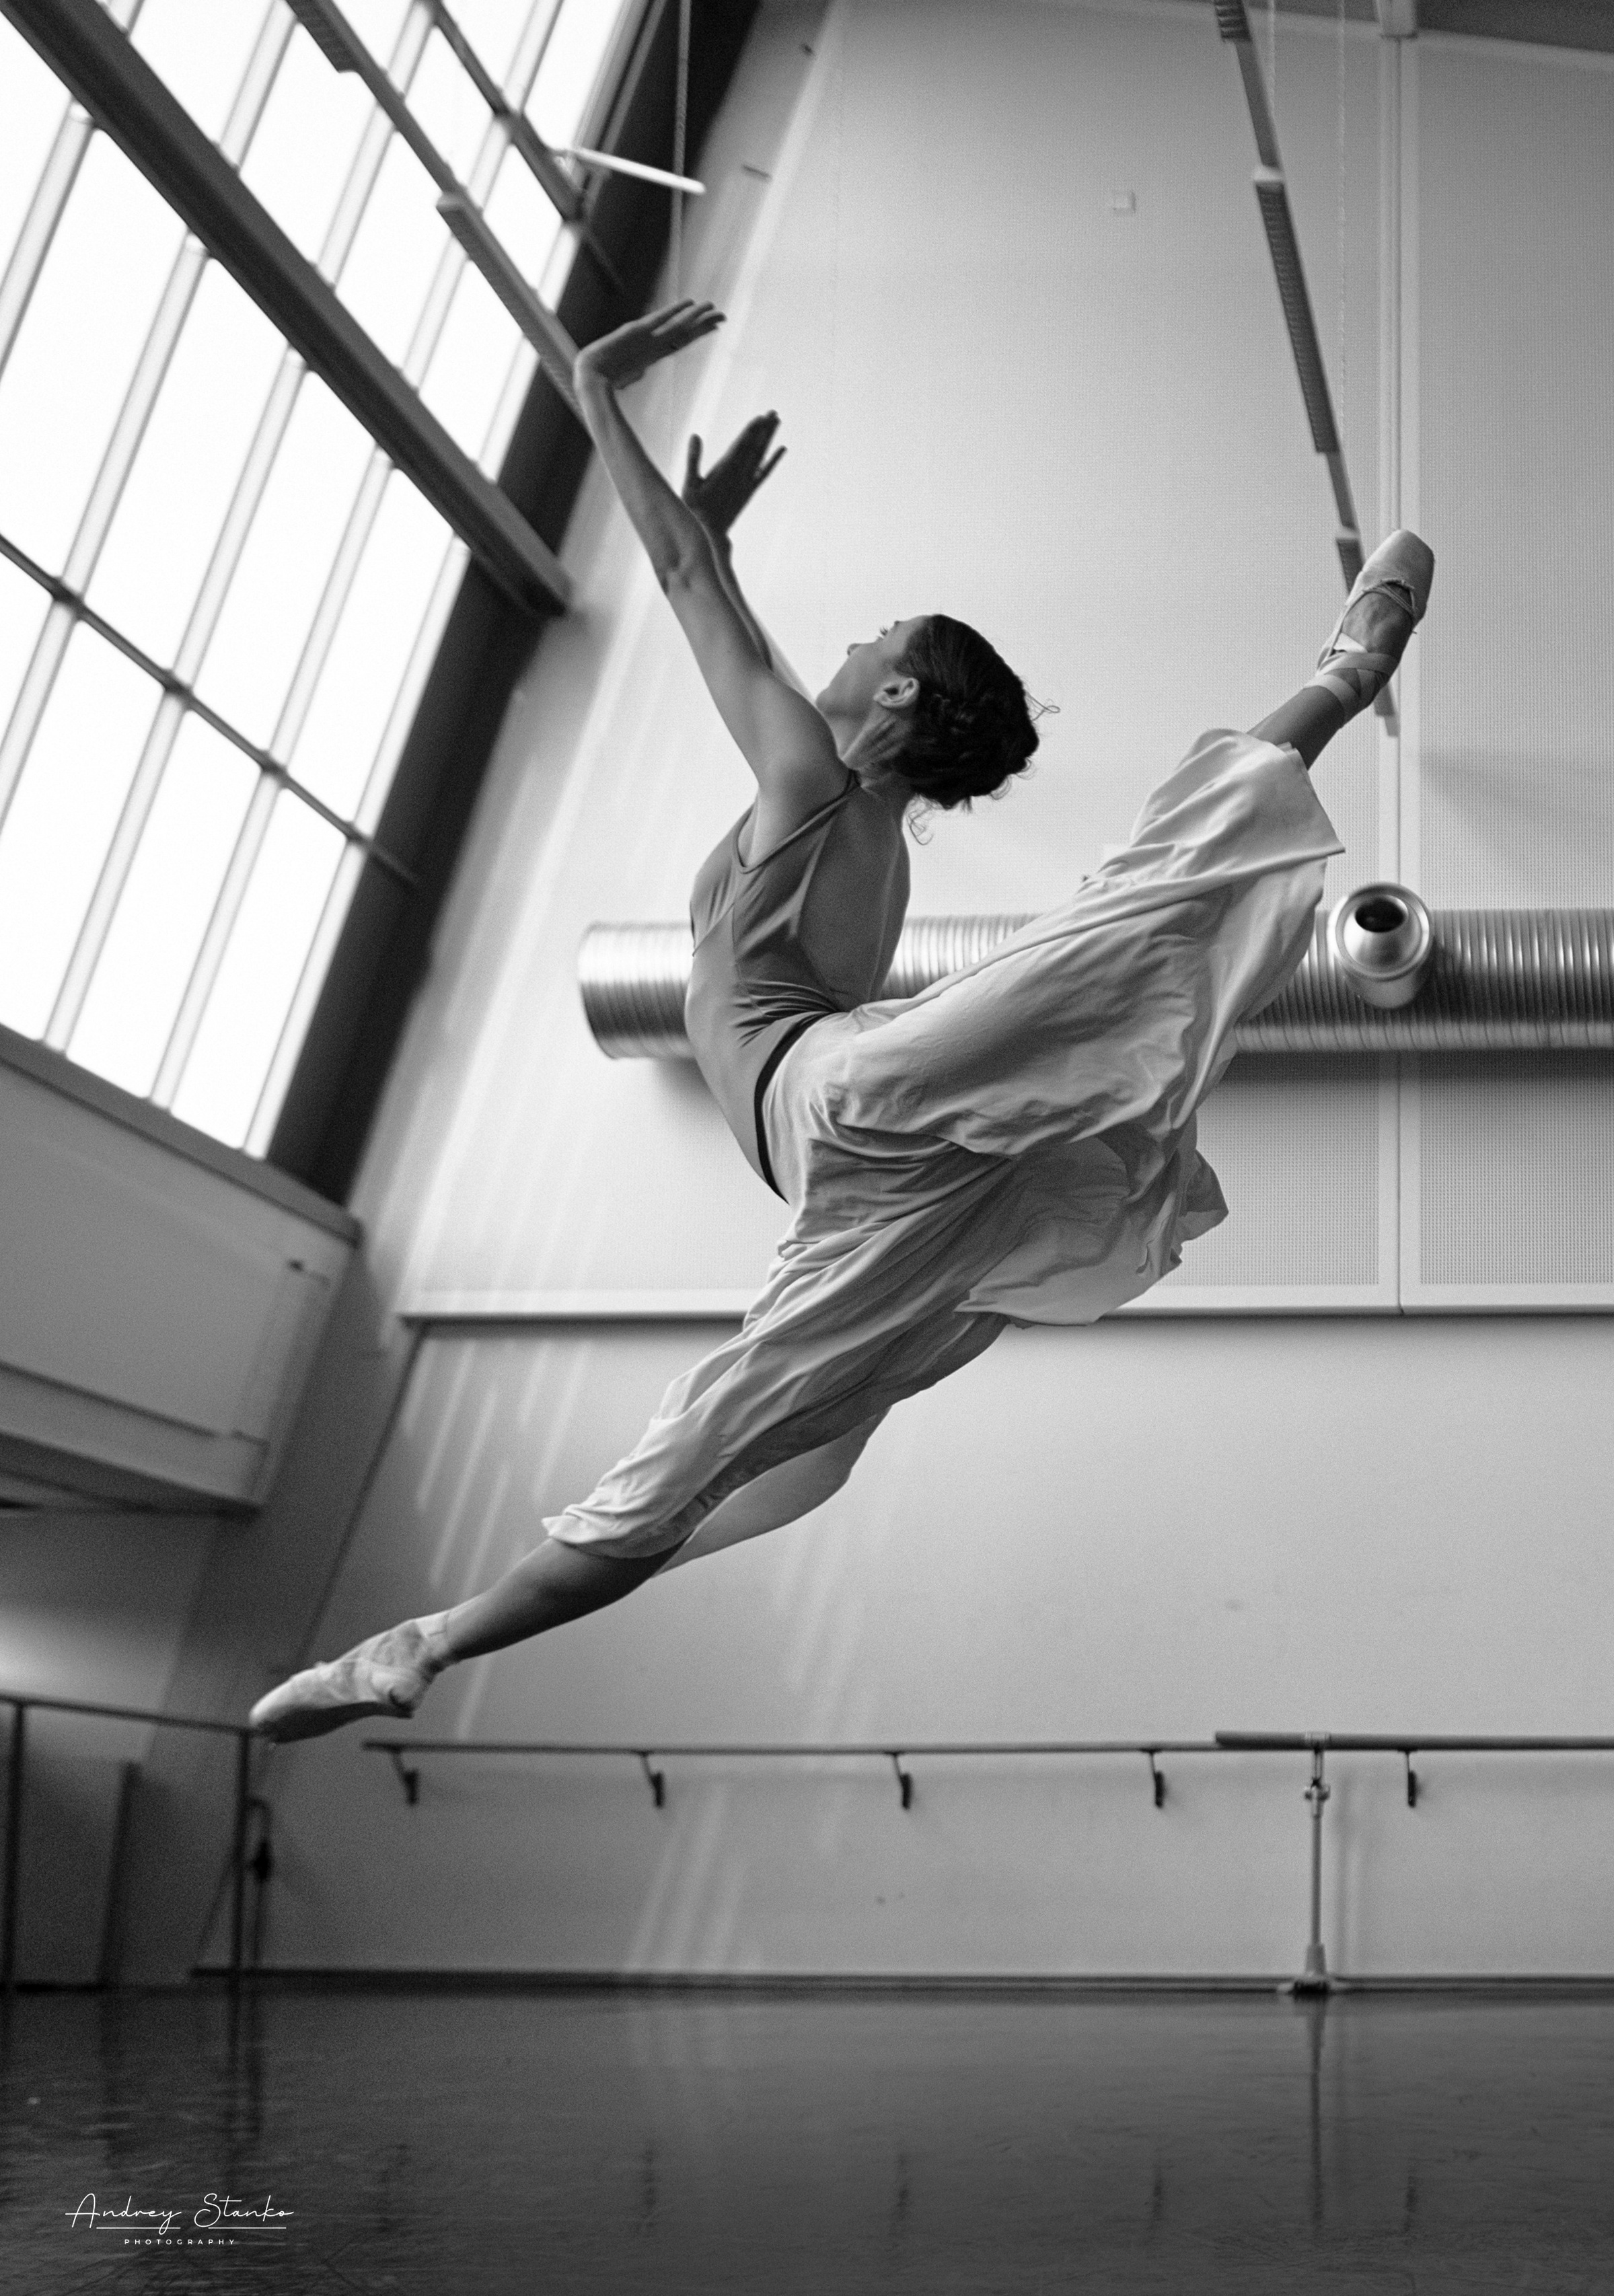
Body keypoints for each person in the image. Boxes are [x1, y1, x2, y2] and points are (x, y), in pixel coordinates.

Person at [251, 301, 1432, 1743]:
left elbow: (681, 586)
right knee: (736, 1436)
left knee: (1130, 908)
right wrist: (714, 539)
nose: (849, 637)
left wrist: (591, 393)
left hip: (840, 1101)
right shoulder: (848, 819)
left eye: (873, 633)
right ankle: (424, 1645)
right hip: (870, 1180)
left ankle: (1338, 674)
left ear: (895, 690)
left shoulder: (810, 785)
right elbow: (708, 588)